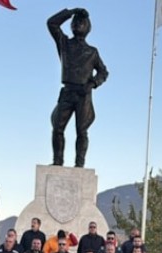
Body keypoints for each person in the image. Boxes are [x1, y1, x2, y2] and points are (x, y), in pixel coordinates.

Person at [47, 7, 108, 167]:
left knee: (82, 131)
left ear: (87, 26)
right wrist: (70, 12)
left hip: (83, 95)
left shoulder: (92, 52)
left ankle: (79, 163)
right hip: (67, 92)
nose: (77, 24)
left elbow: (103, 72)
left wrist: (93, 83)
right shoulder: (64, 43)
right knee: (57, 127)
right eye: (75, 22)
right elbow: (52, 23)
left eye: (81, 22)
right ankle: (57, 161)